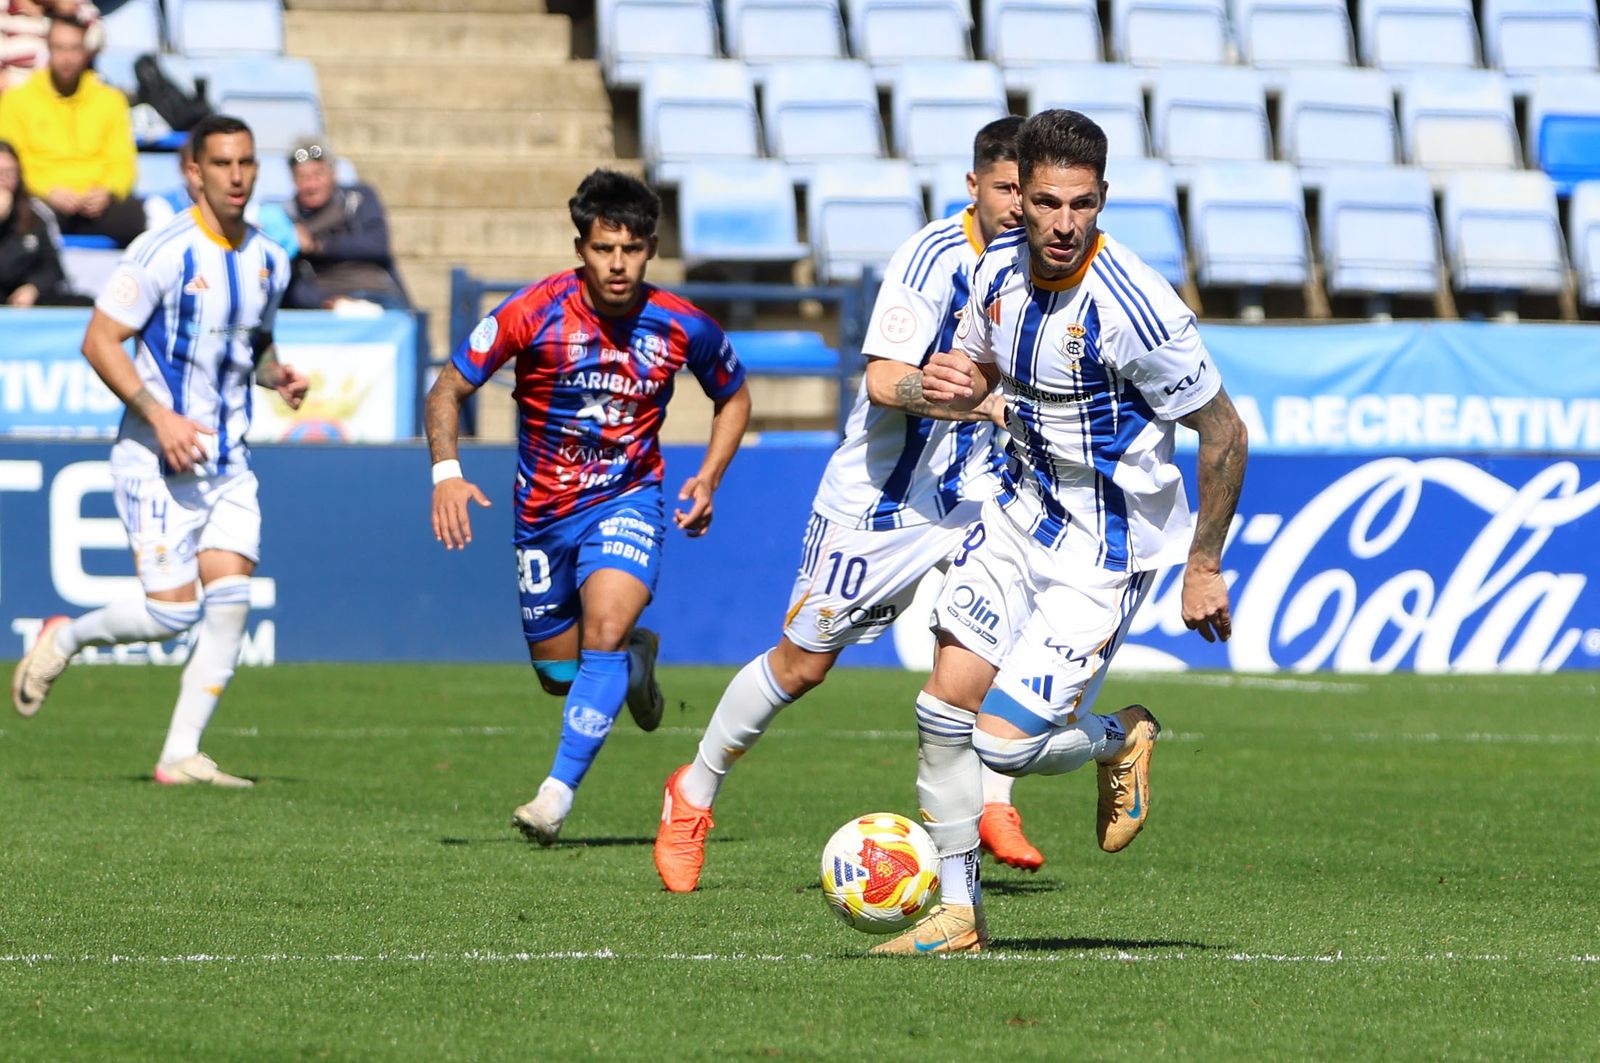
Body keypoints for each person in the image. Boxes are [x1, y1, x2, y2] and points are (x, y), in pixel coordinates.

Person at [866, 110, 1249, 955]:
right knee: (941, 711)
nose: (1065, 224)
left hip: (1099, 551)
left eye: (1083, 204)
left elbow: (1224, 431)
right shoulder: (994, 272)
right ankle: (959, 915)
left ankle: (1122, 735)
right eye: (1046, 202)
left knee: (1003, 751)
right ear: (1019, 199)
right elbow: (980, 363)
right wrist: (957, 377)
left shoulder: (1136, 308)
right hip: (1012, 513)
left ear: (1103, 199)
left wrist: (1203, 562)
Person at [654, 117, 1057, 893]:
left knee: (995, 639)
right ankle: (692, 791)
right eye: (1004, 188)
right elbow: (880, 380)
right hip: (880, 501)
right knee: (802, 665)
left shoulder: (1043, 270)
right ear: (974, 187)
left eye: (1027, 192)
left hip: (978, 496)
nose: (1017, 206)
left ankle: (992, 801)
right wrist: (960, 399)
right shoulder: (932, 258)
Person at [425, 168, 752, 845]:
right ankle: (635, 662)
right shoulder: (531, 311)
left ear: (651, 249)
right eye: (605, 248)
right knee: (560, 675)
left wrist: (710, 477)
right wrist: (447, 474)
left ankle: (554, 795)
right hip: (542, 515)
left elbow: (734, 394)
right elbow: (448, 388)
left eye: (631, 249)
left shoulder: (681, 323)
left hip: (627, 499)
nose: (618, 264)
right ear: (581, 248)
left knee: (601, 628)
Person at [9, 114, 309, 787]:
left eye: (247, 162)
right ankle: (66, 637)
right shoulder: (160, 251)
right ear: (192, 172)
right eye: (223, 164)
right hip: (154, 456)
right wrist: (159, 415)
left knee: (231, 600)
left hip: (229, 461)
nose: (237, 176)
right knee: (172, 611)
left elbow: (251, 345)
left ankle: (180, 753)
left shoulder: (270, 257)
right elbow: (99, 339)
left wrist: (277, 374)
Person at [0, 12, 144, 247]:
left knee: (135, 216)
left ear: (86, 52)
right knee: (25, 218)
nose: (67, 58)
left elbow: (123, 161)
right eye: (60, 48)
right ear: (48, 49)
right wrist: (47, 190)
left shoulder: (110, 100)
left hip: (96, 202)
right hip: (44, 199)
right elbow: (11, 163)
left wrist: (107, 191)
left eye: (74, 48)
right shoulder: (18, 100)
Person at [281, 136, 408, 310]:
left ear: (334, 174)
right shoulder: (286, 219)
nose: (311, 185)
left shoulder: (358, 199)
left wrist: (316, 246)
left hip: (376, 293)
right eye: (303, 177)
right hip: (326, 302)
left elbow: (378, 244)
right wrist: (327, 302)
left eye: (318, 174)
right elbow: (286, 279)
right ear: (293, 181)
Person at [0, 137, 86, 305]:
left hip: (26, 298)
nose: (4, 180)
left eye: (10, 173)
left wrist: (34, 287)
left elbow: (53, 267)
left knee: (84, 303)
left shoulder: (36, 212)